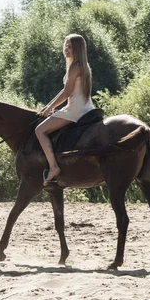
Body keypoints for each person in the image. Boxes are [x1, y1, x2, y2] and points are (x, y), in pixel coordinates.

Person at [35, 33, 94, 186]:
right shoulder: (84, 65)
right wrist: (52, 106)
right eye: (65, 45)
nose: (66, 49)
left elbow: (67, 92)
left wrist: (49, 107)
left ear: (77, 48)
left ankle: (54, 167)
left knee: (40, 130)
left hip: (76, 109)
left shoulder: (74, 67)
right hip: (87, 108)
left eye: (70, 46)